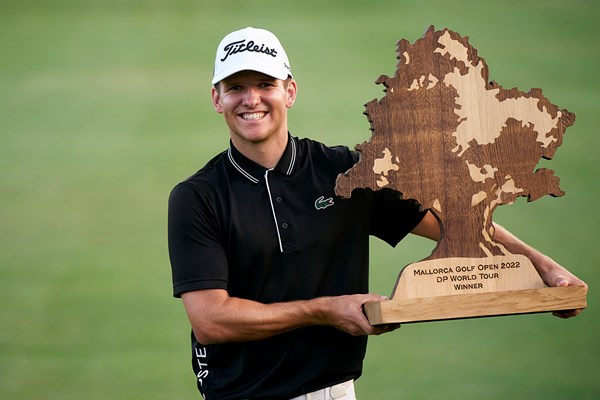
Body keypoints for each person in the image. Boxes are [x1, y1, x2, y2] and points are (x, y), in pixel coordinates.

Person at [168, 27, 586, 400]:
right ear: (216, 99)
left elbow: (457, 224)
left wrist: (544, 270)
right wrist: (326, 310)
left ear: (290, 91)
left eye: (265, 83)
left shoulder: (347, 172)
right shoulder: (197, 197)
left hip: (337, 392)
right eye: (236, 86)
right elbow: (211, 321)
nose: (251, 99)